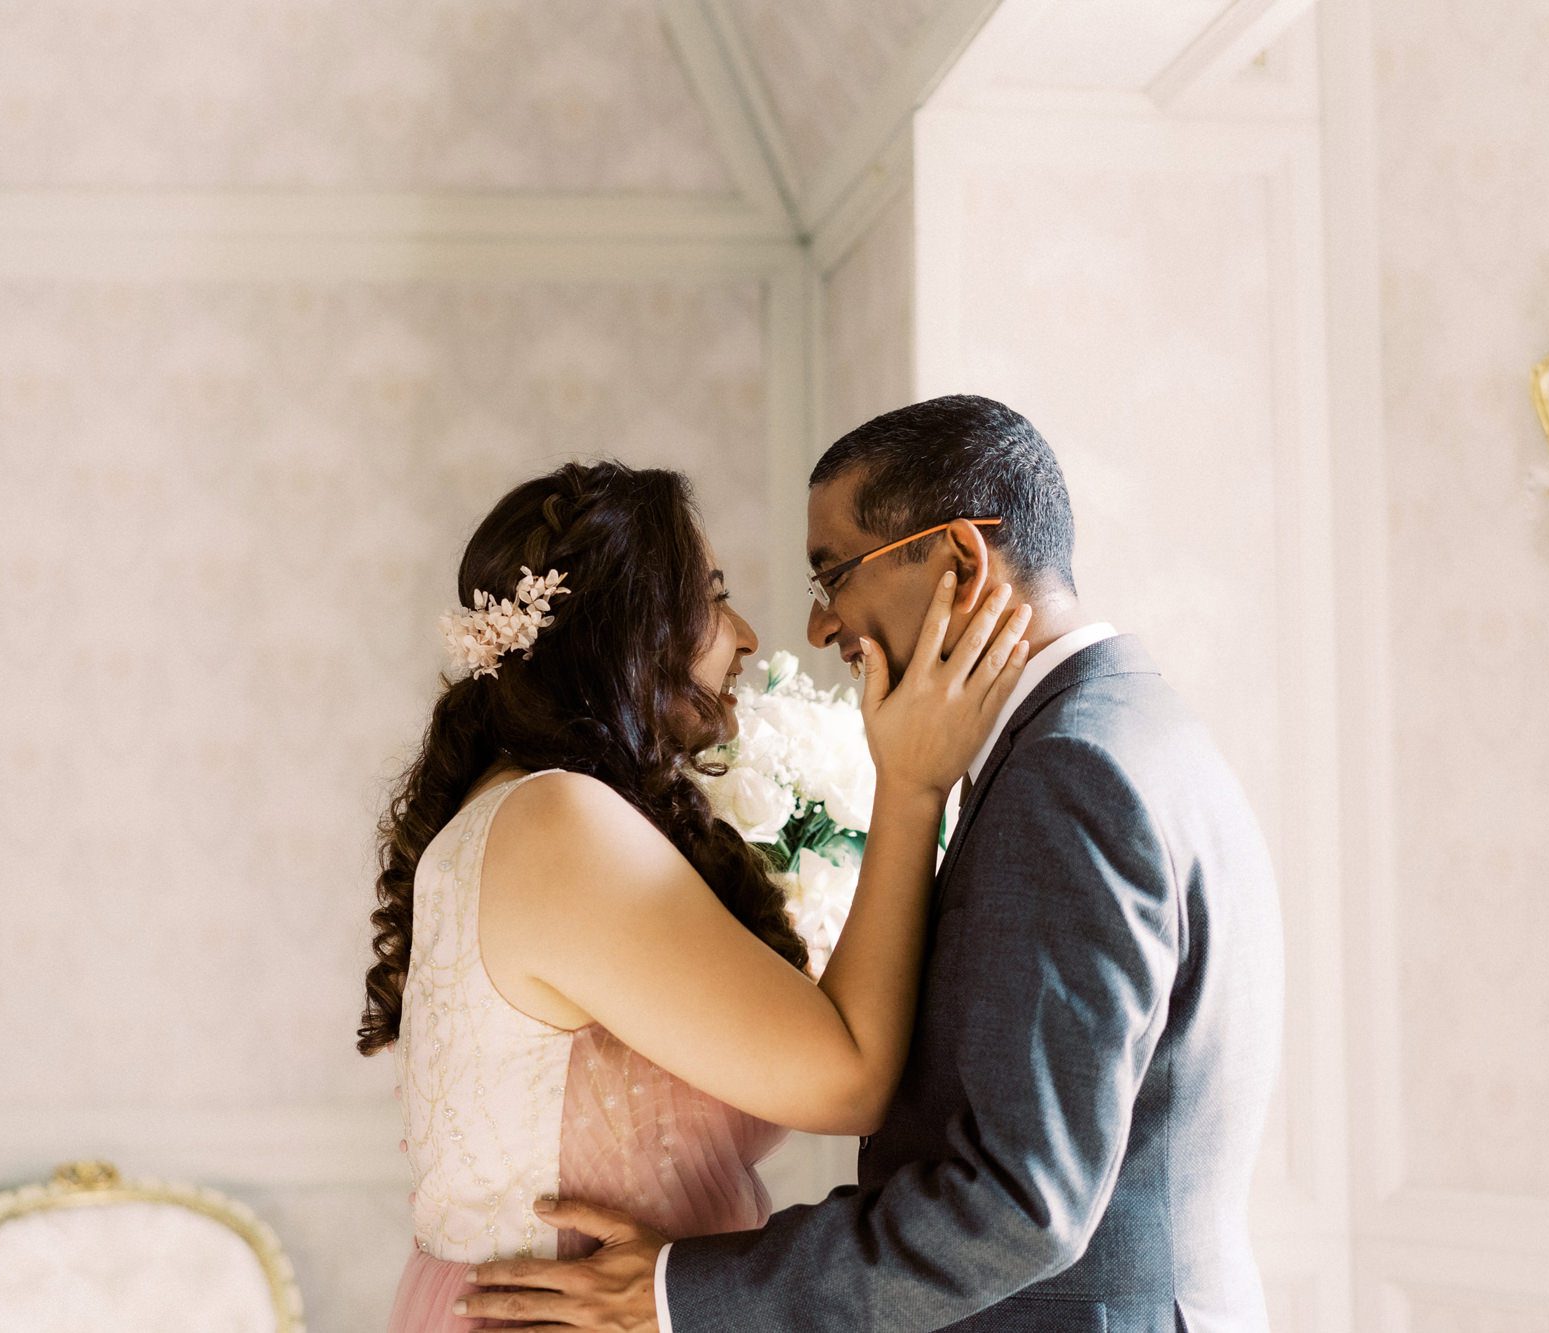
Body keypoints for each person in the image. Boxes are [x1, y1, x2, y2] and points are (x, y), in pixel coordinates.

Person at [463, 396, 1286, 1331]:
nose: (818, 629)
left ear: (960, 563)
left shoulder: (1070, 773)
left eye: (833, 576)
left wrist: (675, 1291)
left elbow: (1021, 1199)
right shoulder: (1133, 728)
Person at [358, 458, 1033, 1331]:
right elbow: (850, 1081)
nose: (747, 635)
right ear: (630, 630)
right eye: (711, 599)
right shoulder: (555, 824)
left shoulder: (515, 810)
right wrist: (909, 784)